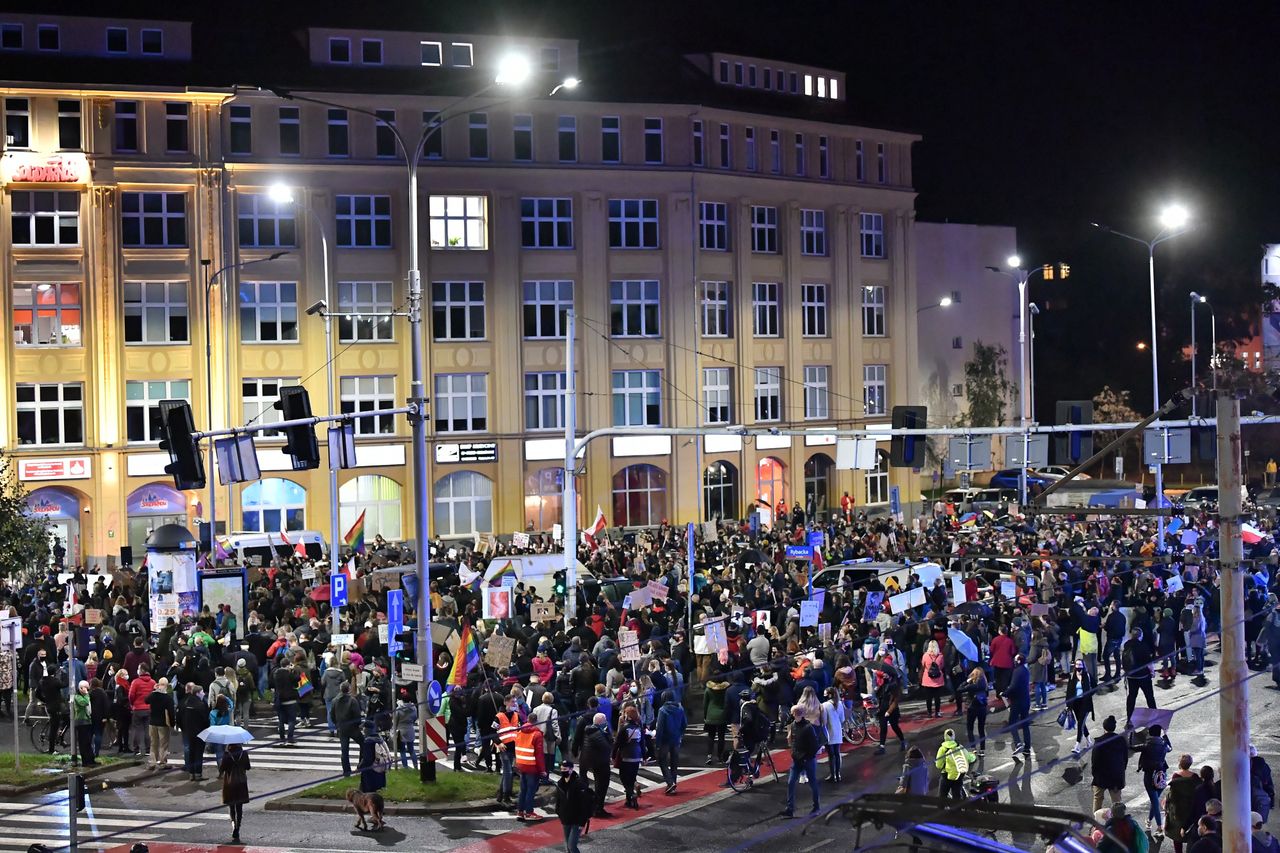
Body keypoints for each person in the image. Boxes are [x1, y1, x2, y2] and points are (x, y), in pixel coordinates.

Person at [781, 703, 820, 818]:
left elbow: (814, 745)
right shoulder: (794, 725)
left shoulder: (808, 728)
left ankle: (816, 807)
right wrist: (794, 753)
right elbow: (793, 740)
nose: (794, 715)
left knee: (812, 783)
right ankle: (790, 808)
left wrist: (805, 756)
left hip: (807, 760)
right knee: (791, 782)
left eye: (796, 713)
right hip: (798, 760)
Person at [612, 704, 652, 810]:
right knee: (632, 777)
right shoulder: (638, 728)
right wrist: (644, 757)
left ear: (627, 716)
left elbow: (617, 743)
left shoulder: (624, 728)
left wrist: (613, 755)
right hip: (637, 756)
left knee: (624, 777)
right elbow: (642, 744)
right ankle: (628, 800)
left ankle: (631, 794)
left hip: (625, 756)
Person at [578, 712, 613, 818]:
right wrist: (608, 735)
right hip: (600, 762)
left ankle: (597, 807)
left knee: (599, 785)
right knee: (601, 786)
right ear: (600, 723)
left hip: (594, 761)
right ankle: (598, 809)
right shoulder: (597, 733)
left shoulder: (591, 730)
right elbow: (607, 746)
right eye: (605, 720)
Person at [1138, 724, 1172, 832]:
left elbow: (1131, 746)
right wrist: (1165, 734)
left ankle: (1159, 827)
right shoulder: (1163, 745)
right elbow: (1170, 748)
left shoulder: (1146, 745)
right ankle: (1148, 820)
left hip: (1149, 776)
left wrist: (1133, 733)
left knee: (1155, 801)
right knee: (1155, 800)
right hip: (1162, 775)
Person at [553, 761, 593, 853]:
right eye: (562, 769)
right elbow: (558, 800)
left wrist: (582, 822)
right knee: (568, 846)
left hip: (577, 820)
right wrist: (559, 813)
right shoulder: (560, 783)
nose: (563, 771)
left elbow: (584, 804)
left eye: (565, 769)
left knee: (571, 846)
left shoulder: (579, 784)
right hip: (566, 819)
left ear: (571, 769)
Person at [1091, 716, 1127, 813]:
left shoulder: (1099, 742)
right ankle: (1117, 823)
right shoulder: (1121, 740)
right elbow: (1125, 759)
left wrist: (1095, 775)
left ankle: (1096, 823)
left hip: (1101, 777)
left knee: (1098, 799)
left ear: (1104, 728)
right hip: (1116, 777)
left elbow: (1095, 761)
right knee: (1116, 802)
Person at [1164, 754, 1199, 853]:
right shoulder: (1195, 777)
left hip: (1177, 809)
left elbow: (1172, 794)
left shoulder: (1176, 776)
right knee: (1191, 835)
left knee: (1176, 835)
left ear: (1180, 763)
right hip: (1190, 808)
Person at [653, 689, 686, 794]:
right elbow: (684, 724)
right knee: (674, 761)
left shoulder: (663, 710)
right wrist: (680, 734)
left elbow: (660, 728)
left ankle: (670, 782)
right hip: (676, 738)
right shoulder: (680, 708)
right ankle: (673, 782)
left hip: (665, 740)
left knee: (662, 760)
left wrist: (657, 743)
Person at [514, 719, 546, 821]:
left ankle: (520, 811)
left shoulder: (519, 732)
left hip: (521, 764)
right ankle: (529, 812)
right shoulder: (537, 734)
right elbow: (539, 755)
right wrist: (542, 770)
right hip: (532, 766)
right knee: (531, 790)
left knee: (523, 789)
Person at [177, 682, 209, 782]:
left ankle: (191, 773)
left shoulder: (185, 703)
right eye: (202, 692)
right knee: (199, 753)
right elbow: (206, 720)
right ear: (198, 693)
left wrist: (184, 728)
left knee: (191, 752)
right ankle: (198, 773)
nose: (203, 693)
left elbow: (179, 717)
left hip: (189, 732)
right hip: (200, 732)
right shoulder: (201, 704)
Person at [493, 694, 522, 807]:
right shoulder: (499, 717)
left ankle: (501, 794)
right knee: (508, 771)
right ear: (506, 703)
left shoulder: (516, 715)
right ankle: (506, 796)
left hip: (514, 747)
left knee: (507, 771)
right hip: (504, 747)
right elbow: (492, 732)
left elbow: (519, 730)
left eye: (515, 702)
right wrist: (498, 743)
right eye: (512, 702)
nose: (514, 704)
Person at [220, 742, 251, 843]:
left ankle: (233, 825)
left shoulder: (227, 754)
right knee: (239, 806)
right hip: (241, 783)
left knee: (231, 806)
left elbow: (222, 769)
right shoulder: (244, 753)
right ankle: (238, 827)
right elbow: (248, 767)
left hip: (229, 783)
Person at [1002, 654, 1032, 758]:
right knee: (1025, 724)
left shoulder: (1017, 671)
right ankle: (1027, 748)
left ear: (1018, 661)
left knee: (1012, 722)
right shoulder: (1025, 670)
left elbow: (1014, 686)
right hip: (1026, 700)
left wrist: (1005, 693)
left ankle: (1018, 743)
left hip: (1017, 701)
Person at [874, 662, 906, 755]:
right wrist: (877, 689)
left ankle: (902, 741)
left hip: (891, 710)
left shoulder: (895, 685)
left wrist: (889, 711)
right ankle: (882, 746)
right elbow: (881, 695)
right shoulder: (885, 683)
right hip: (883, 707)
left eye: (886, 673)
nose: (884, 674)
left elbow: (895, 701)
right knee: (883, 727)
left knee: (894, 726)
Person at [332, 682, 362, 777]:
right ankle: (361, 765)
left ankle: (346, 772)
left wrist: (337, 724)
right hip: (353, 728)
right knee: (364, 744)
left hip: (342, 728)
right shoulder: (352, 700)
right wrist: (357, 725)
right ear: (348, 689)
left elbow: (332, 715)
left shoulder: (335, 700)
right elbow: (357, 715)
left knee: (344, 751)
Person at [935, 728, 975, 800]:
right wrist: (973, 755)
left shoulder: (943, 749)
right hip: (958, 775)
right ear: (954, 736)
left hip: (946, 775)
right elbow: (969, 758)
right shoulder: (960, 747)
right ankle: (957, 810)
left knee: (942, 795)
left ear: (945, 737)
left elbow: (938, 765)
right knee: (957, 795)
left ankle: (941, 809)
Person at [957, 666, 989, 756]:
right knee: (981, 729)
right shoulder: (984, 685)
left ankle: (973, 748)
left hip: (972, 708)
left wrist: (966, 681)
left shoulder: (972, 686)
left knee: (970, 728)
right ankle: (982, 750)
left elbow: (959, 689)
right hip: (982, 708)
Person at [1066, 659, 1095, 756]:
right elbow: (1069, 691)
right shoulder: (1072, 676)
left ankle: (1077, 745)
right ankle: (1089, 741)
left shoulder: (1087, 676)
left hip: (1085, 703)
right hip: (1075, 704)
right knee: (1081, 723)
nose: (1078, 666)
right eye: (1076, 664)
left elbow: (1094, 686)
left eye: (1080, 664)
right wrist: (1068, 705)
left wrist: (1089, 694)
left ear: (1083, 665)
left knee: (1080, 724)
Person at [147, 678, 175, 769]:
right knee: (163, 743)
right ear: (167, 686)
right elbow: (171, 712)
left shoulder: (153, 695)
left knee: (153, 743)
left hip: (152, 722)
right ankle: (163, 762)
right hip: (163, 723)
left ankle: (152, 762)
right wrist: (172, 724)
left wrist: (154, 690)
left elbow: (145, 700)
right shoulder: (168, 698)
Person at [819, 687, 845, 783]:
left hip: (828, 731)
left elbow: (824, 721)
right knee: (837, 753)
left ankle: (832, 774)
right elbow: (842, 719)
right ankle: (838, 774)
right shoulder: (840, 704)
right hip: (838, 730)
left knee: (831, 755)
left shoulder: (824, 705)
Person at [358, 720, 387, 794]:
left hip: (370, 774)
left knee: (369, 796)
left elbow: (367, 759)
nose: (362, 730)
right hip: (379, 771)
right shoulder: (380, 739)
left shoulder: (368, 741)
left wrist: (360, 766)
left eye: (363, 728)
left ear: (367, 730)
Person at [920, 640, 946, 718]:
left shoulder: (925, 656)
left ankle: (929, 712)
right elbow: (942, 666)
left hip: (927, 679)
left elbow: (923, 665)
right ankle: (937, 712)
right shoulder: (940, 656)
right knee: (937, 697)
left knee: (928, 697)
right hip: (938, 679)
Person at [392, 693, 418, 770]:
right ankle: (416, 766)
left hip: (401, 730)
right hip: (410, 729)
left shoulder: (399, 709)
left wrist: (394, 730)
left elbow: (395, 720)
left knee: (402, 750)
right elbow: (415, 718)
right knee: (411, 749)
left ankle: (405, 767)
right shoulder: (413, 708)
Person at [72, 681, 94, 766]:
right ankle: (86, 761)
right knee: (83, 742)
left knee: (88, 741)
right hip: (81, 721)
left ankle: (91, 759)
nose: (87, 690)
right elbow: (84, 703)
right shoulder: (78, 697)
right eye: (86, 688)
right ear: (81, 688)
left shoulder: (84, 696)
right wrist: (86, 694)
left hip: (87, 720)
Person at [1251, 744, 1275, 822]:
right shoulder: (1265, 766)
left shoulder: (1244, 766)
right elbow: (1269, 785)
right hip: (1261, 800)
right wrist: (1271, 803)